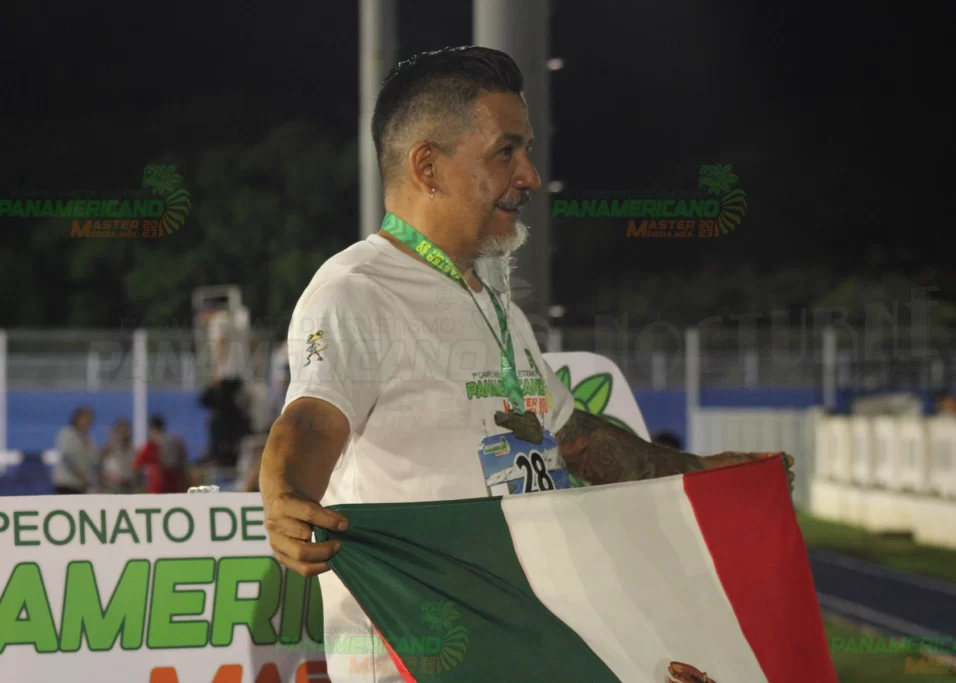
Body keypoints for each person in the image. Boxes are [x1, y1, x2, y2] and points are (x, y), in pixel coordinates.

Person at [258, 46, 795, 682]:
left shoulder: (495, 306)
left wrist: (704, 474)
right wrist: (284, 494)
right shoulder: (356, 291)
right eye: (505, 152)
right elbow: (312, 419)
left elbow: (573, 440)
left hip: (517, 650)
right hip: (418, 663)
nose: (531, 177)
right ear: (428, 166)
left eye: (526, 151)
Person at [133, 415, 188, 494]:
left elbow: (136, 465)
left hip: (157, 487)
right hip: (174, 485)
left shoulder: (151, 445)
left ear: (152, 428)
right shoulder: (175, 442)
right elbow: (182, 465)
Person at [52, 406, 99, 494]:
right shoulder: (67, 433)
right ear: (77, 418)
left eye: (89, 419)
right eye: (85, 418)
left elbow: (94, 459)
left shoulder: (89, 438)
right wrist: (81, 476)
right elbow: (66, 458)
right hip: (66, 483)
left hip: (81, 485)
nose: (87, 421)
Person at [99, 418, 137, 493]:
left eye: (126, 429)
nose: (124, 432)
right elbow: (99, 465)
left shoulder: (133, 450)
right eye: (121, 429)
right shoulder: (109, 448)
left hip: (127, 488)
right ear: (116, 431)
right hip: (110, 489)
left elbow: (135, 470)